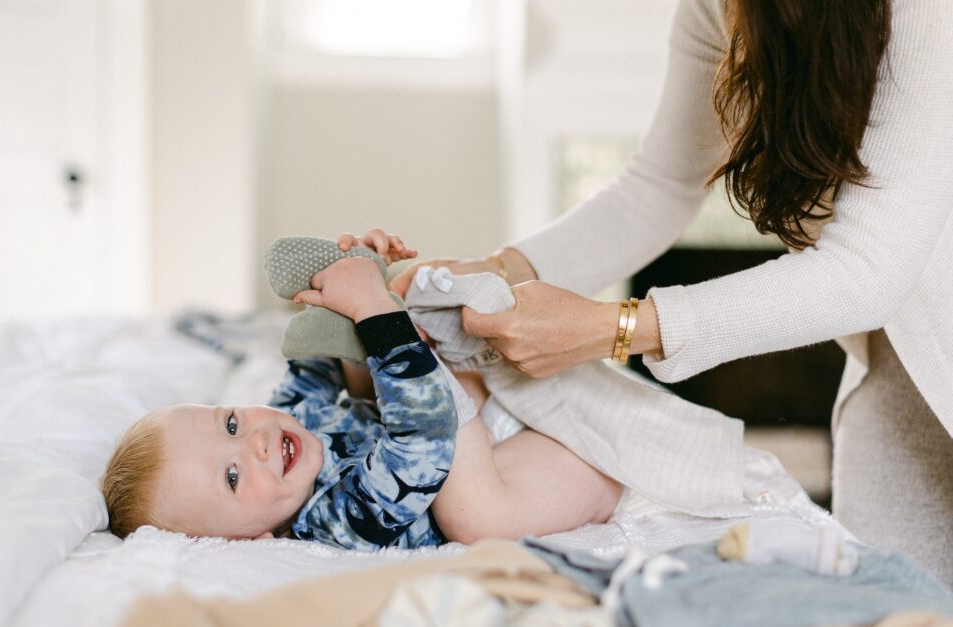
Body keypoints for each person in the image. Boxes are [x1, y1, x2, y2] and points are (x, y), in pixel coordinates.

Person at [389, 0, 953, 584]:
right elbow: (656, 189)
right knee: (889, 621)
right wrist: (501, 268)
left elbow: (865, 270)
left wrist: (614, 328)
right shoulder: (719, 10)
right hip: (898, 365)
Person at [101, 232, 622, 550]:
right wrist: (377, 314)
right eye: (232, 476)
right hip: (481, 466)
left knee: (365, 357)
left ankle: (402, 302)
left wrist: (356, 278)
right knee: (476, 517)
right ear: (246, 540)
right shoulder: (330, 522)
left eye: (231, 424)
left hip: (479, 424)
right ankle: (607, 472)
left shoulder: (290, 418)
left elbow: (318, 356)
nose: (254, 442)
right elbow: (420, 449)